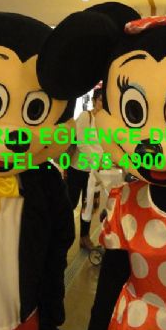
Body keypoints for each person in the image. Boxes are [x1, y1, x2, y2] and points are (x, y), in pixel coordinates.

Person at [66, 87, 104, 250]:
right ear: (94, 101)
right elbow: (82, 143)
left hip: (94, 173)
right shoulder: (85, 116)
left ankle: (84, 237)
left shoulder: (105, 123)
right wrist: (97, 160)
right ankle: (63, 235)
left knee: (89, 205)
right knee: (70, 203)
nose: (103, 104)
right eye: (101, 100)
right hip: (77, 169)